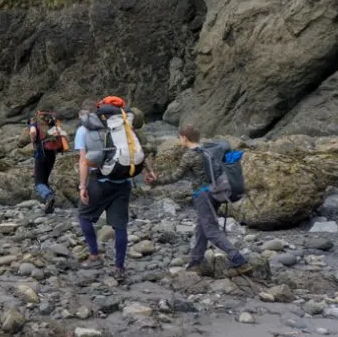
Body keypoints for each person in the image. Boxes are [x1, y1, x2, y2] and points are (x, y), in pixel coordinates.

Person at [149, 125, 252, 276]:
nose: (180, 140)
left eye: (180, 137)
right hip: (215, 192)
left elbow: (176, 176)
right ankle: (195, 263)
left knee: (210, 230)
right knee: (201, 228)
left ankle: (239, 259)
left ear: (184, 137)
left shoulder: (190, 155)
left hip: (203, 195)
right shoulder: (207, 150)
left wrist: (156, 182)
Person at [75, 97, 155, 282]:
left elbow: (84, 161)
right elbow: (137, 150)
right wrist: (149, 172)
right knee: (120, 227)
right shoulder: (127, 126)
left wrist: (82, 186)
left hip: (100, 182)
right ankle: (119, 267)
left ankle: (94, 255)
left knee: (84, 216)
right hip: (124, 183)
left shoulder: (85, 129)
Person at [29, 111, 68, 213]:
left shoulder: (35, 123)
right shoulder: (53, 124)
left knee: (38, 182)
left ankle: (48, 196)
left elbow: (32, 131)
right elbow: (63, 135)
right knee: (45, 179)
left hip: (41, 154)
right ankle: (50, 205)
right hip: (52, 154)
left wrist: (32, 143)